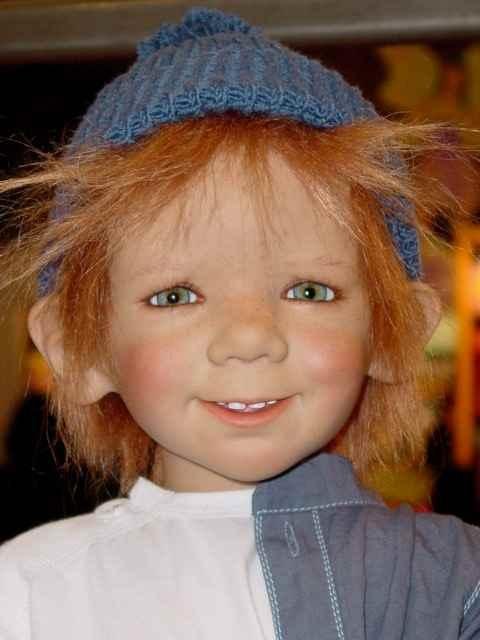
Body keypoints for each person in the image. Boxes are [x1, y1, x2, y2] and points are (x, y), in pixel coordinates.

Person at [0, 7, 478, 639]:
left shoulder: (453, 585)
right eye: (175, 296)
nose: (250, 338)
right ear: (78, 348)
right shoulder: (29, 591)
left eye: (309, 291)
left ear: (395, 332)